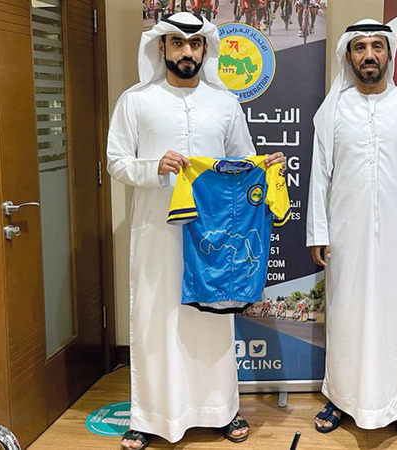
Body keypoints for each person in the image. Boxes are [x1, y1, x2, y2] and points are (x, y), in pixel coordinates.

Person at [106, 12, 285, 449]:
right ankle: (149, 417)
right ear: (161, 47)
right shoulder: (136, 101)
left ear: (206, 49)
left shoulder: (224, 103)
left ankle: (221, 411)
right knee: (155, 320)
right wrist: (154, 167)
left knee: (211, 321)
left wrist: (266, 167)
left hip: (214, 236)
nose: (187, 52)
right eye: (178, 43)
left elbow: (242, 162)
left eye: (195, 44)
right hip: (157, 234)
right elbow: (116, 162)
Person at [306, 19, 397, 441]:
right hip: (346, 238)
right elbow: (319, 177)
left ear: (389, 53)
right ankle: (341, 397)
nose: (369, 55)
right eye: (360, 47)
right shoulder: (332, 111)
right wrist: (318, 232)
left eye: (377, 47)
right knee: (347, 317)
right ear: (348, 55)